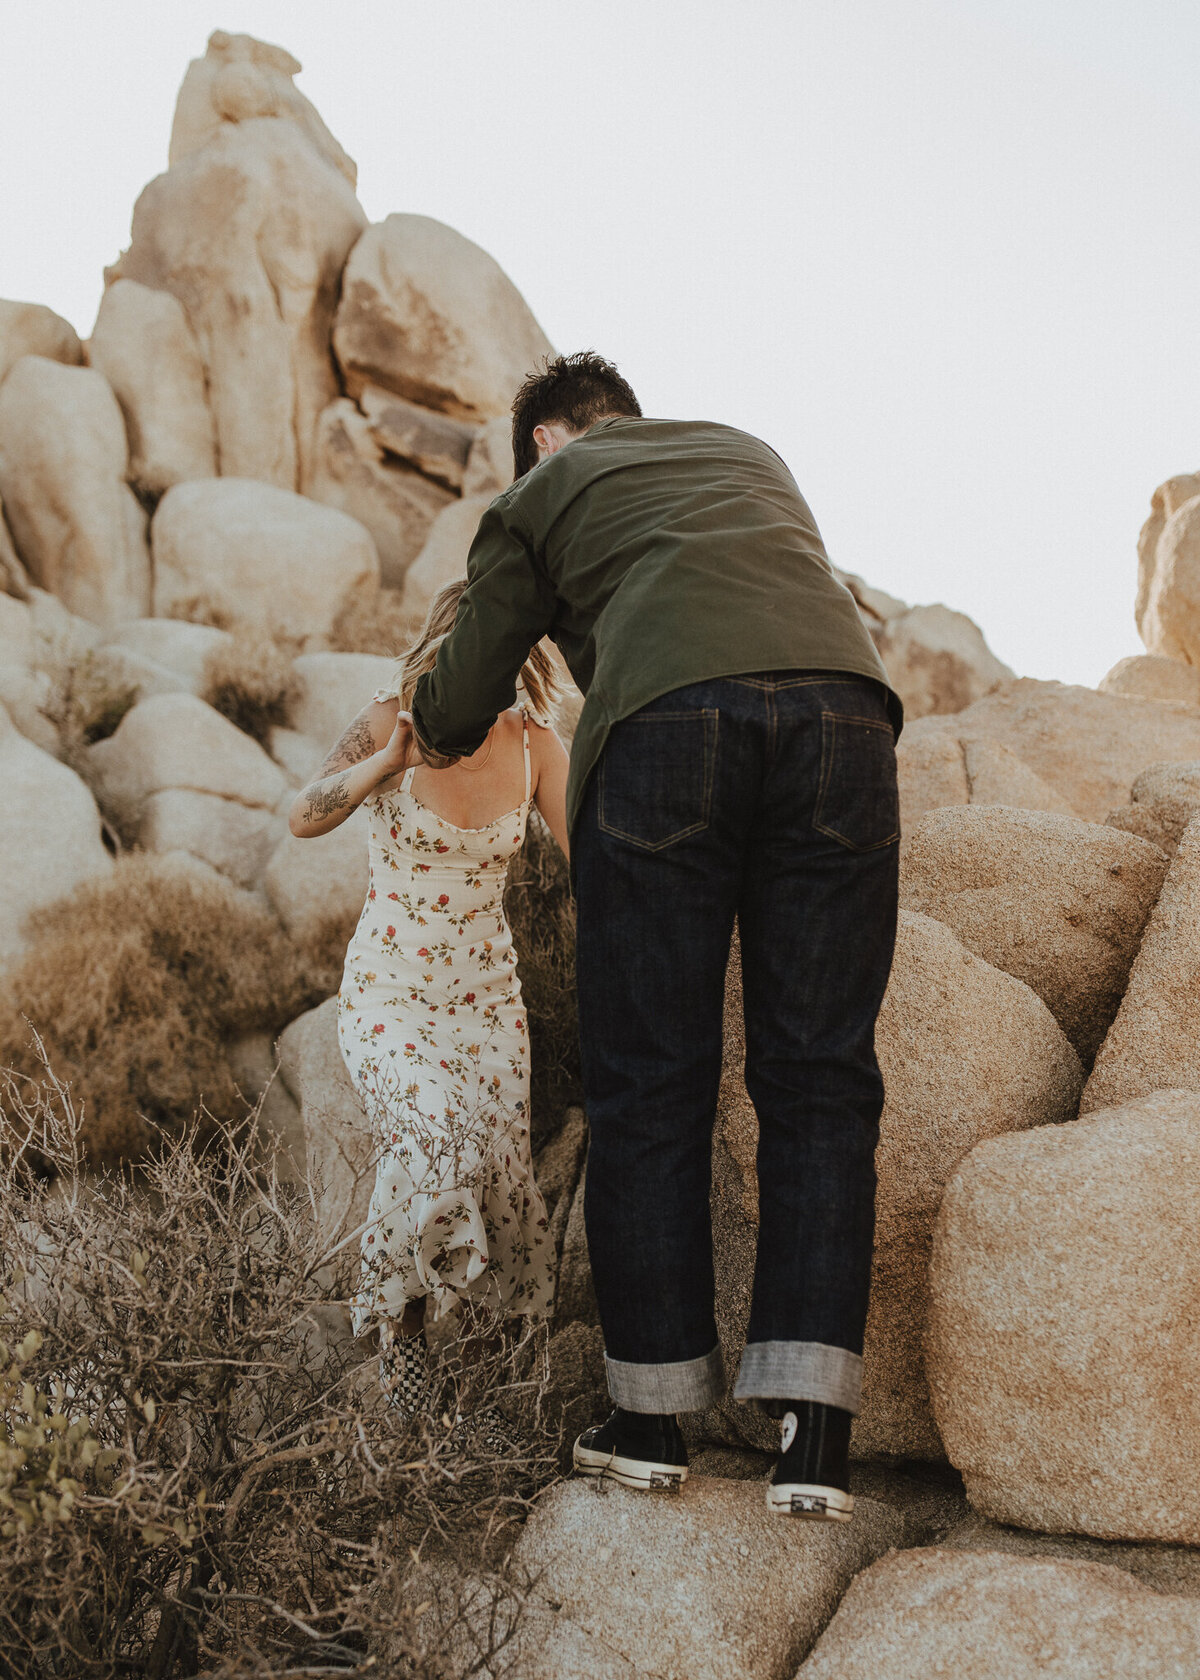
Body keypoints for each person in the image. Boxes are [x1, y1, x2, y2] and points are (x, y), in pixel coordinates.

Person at [401, 351, 902, 1520]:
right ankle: (815, 1439)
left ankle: (649, 1422)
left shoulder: (540, 493)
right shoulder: (743, 451)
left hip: (670, 727)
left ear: (542, 441)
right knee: (823, 1077)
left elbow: (464, 685)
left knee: (650, 1083)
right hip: (846, 714)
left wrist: (425, 725)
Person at [288, 580, 571, 1414]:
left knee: (501, 1175)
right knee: (431, 1143)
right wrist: (387, 765)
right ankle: (402, 1340)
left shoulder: (535, 745)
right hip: (391, 996)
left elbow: (594, 858)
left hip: (488, 1005)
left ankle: (495, 1379)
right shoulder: (388, 720)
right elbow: (303, 816)